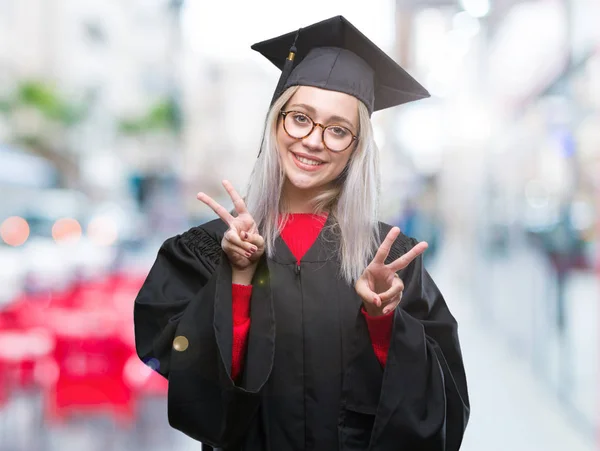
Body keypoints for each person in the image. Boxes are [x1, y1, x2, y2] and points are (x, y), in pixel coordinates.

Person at [134, 15, 470, 451]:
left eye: (337, 130)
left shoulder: (388, 261)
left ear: (356, 148)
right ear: (276, 123)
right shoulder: (207, 250)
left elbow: (441, 404)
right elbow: (189, 381)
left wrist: (383, 322)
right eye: (300, 118)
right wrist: (237, 279)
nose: (313, 141)